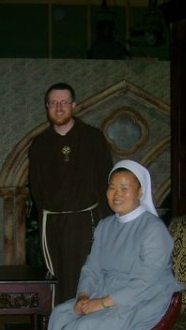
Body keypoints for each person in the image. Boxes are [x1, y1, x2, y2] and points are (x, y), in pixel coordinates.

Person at [43, 159, 183, 330]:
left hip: (146, 298)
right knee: (60, 316)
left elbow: (146, 280)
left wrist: (103, 303)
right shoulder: (106, 226)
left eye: (124, 188)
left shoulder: (153, 229)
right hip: (105, 291)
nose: (116, 194)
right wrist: (84, 296)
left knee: (88, 328)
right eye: (112, 187)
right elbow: (92, 266)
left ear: (140, 192)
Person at [28, 82, 114, 305]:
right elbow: (36, 189)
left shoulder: (93, 138)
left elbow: (106, 182)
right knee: (58, 281)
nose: (59, 108)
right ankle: (61, 323)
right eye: (54, 103)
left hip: (87, 222)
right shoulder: (39, 144)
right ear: (47, 106)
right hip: (53, 224)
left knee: (88, 277)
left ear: (73, 105)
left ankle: (88, 324)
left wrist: (107, 224)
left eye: (64, 102)